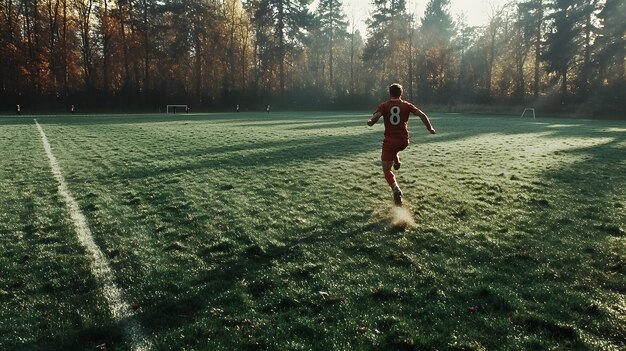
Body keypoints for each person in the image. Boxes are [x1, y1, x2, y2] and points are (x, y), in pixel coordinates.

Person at [367, 83, 436, 206]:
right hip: (404, 141)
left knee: (386, 170)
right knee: (395, 150)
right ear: (401, 93)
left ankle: (396, 188)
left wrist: (371, 122)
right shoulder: (406, 105)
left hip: (390, 142)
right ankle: (397, 162)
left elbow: (376, 116)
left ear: (390, 93)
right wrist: (430, 128)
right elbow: (421, 114)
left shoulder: (384, 105)